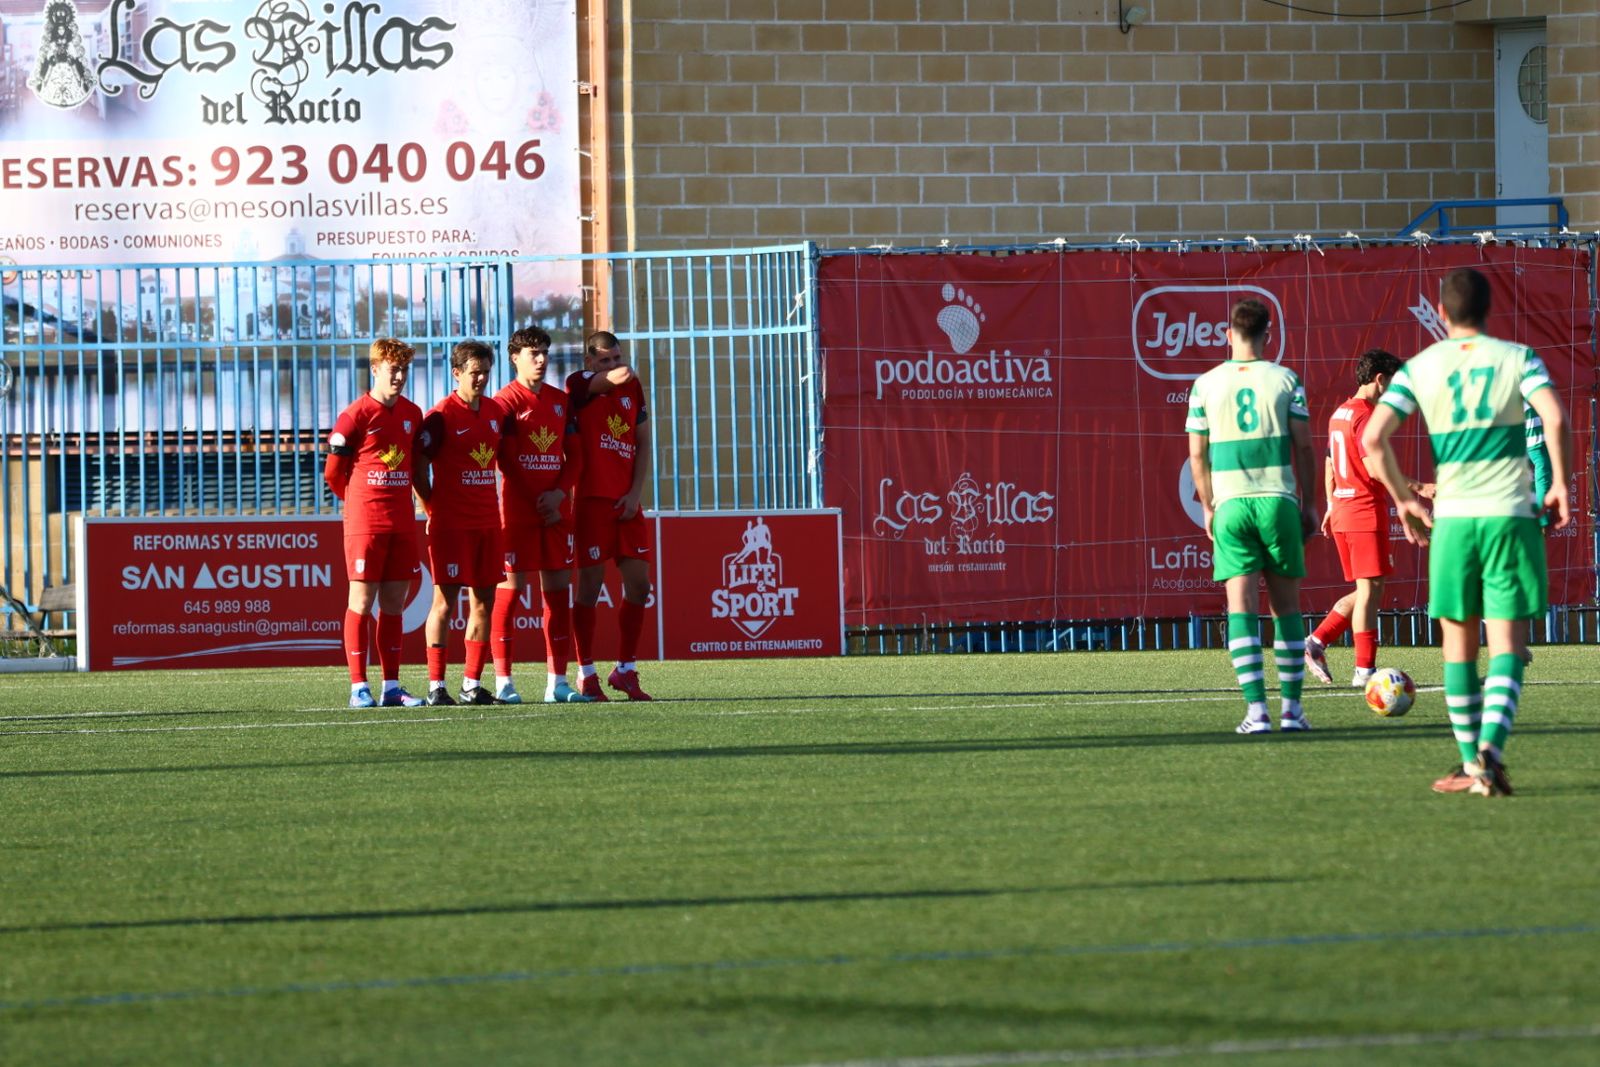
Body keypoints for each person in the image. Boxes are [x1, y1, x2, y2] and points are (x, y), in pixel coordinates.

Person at [1364, 267, 1570, 797]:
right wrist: (1562, 484)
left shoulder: (1421, 367)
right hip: (1509, 515)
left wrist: (1404, 499)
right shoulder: (1518, 358)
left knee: (1458, 647)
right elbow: (1556, 418)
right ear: (1489, 308)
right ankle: (1490, 754)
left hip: (1454, 519)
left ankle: (1469, 762)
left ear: (1442, 309)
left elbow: (1373, 438)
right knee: (1507, 646)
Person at [1185, 298, 1318, 734]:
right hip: (1277, 500)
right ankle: (1292, 712)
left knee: (1240, 607)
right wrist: (1311, 502)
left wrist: (1207, 505)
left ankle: (1256, 712)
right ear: (1268, 334)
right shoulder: (1285, 379)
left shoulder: (1205, 384)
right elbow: (1303, 446)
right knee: (1286, 609)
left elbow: (1197, 453)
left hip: (1231, 504)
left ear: (1228, 334)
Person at [323, 338, 427, 709]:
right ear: (376, 369)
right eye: (392, 369)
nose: (399, 376)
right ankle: (358, 687)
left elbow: (415, 467)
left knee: (394, 604)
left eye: (403, 369)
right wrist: (357, 504)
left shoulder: (412, 414)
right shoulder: (355, 415)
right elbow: (334, 473)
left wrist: (425, 504)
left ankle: (392, 686)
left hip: (401, 521)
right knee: (362, 602)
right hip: (366, 523)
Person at [491, 327, 593, 704]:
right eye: (533, 352)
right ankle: (504, 680)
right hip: (519, 513)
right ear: (514, 357)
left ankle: (558, 683)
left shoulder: (559, 401)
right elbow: (507, 459)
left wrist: (557, 495)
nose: (541, 359)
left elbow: (576, 456)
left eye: (544, 352)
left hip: (554, 512)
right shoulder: (504, 402)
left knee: (556, 596)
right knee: (510, 592)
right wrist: (540, 499)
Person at [1304, 349, 1414, 688]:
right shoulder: (1366, 413)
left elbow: (1328, 462)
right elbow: (1372, 466)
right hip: (1364, 511)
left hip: (1344, 511)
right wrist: (1417, 488)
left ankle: (1315, 643)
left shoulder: (1340, 411)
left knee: (1369, 588)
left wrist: (1330, 504)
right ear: (1380, 380)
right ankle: (1364, 670)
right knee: (1369, 590)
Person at [415, 340, 507, 706]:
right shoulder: (440, 417)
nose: (481, 378)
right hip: (451, 524)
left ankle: (471, 683)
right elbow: (417, 466)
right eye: (474, 372)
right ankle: (436, 686)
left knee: (484, 602)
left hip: (487, 521)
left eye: (486, 371)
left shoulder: (496, 412)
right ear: (457, 373)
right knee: (444, 603)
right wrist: (431, 507)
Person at [566, 330, 654, 701]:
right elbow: (620, 376)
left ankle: (626, 670)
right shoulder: (579, 383)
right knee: (588, 588)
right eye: (605, 359)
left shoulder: (632, 389)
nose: (615, 365)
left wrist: (635, 493)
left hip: (626, 503)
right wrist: (620, 370)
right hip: (591, 501)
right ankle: (586, 673)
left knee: (640, 586)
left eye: (617, 357)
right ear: (590, 363)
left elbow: (644, 440)